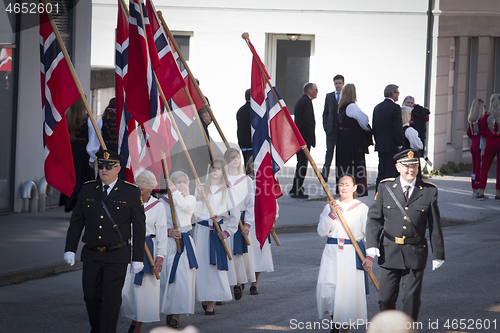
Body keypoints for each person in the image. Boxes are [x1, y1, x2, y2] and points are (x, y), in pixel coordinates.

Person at [64, 149, 146, 333]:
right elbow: (77, 221)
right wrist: (70, 249)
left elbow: (139, 227)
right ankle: (98, 328)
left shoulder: (130, 192)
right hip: (92, 252)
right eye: (101, 166)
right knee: (91, 297)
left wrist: (137, 258)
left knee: (111, 298)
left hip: (118, 254)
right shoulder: (87, 189)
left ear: (118, 168)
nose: (104, 170)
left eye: (109, 167)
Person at [363, 149, 445, 322]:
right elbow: (374, 219)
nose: (411, 170)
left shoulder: (429, 191)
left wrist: (438, 254)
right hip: (389, 251)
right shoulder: (385, 188)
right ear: (398, 167)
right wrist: (372, 246)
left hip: (415, 252)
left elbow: (435, 225)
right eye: (406, 166)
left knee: (411, 301)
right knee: (385, 299)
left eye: (414, 165)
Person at [317, 174, 369, 333]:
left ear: (354, 188)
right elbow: (321, 231)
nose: (344, 187)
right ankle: (335, 322)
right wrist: (332, 213)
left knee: (347, 293)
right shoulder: (330, 206)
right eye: (341, 184)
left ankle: (342, 329)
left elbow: (369, 233)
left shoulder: (361, 208)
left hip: (351, 254)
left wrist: (370, 257)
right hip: (332, 253)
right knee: (329, 289)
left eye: (347, 184)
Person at [121, 170, 167, 333]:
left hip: (149, 248)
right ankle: (134, 318)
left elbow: (162, 232)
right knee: (128, 289)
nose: (140, 185)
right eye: (138, 181)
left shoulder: (158, 205)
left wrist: (160, 258)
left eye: (144, 182)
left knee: (144, 290)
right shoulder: (128, 202)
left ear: (152, 187)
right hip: (129, 247)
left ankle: (138, 326)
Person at [194, 159, 239, 315]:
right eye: (213, 167)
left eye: (219, 168)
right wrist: (199, 196)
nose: (215, 170)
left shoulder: (228, 190)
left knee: (213, 267)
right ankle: (204, 296)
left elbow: (235, 215)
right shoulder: (201, 187)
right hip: (201, 231)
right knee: (202, 266)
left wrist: (227, 232)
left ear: (223, 172)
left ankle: (211, 300)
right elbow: (195, 212)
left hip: (217, 231)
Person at [159, 171, 198, 329]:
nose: (181, 185)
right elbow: (158, 223)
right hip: (167, 244)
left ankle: (176, 314)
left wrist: (174, 190)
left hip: (183, 245)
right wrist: (168, 232)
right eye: (177, 182)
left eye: (184, 182)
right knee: (166, 278)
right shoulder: (162, 202)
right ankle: (169, 308)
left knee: (181, 280)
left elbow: (183, 206)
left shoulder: (190, 199)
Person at [224, 148, 256, 300]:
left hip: (240, 220)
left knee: (237, 255)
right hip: (224, 221)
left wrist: (248, 223)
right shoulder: (221, 179)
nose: (235, 160)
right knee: (225, 253)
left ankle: (237, 283)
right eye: (231, 157)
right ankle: (223, 288)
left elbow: (250, 204)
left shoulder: (246, 180)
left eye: (237, 157)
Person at [335, 84, 371, 197]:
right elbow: (364, 121)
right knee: (354, 163)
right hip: (352, 139)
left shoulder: (341, 106)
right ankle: (356, 188)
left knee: (344, 163)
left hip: (343, 138)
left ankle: (344, 187)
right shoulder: (352, 106)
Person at [246, 157, 276, 295]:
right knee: (245, 252)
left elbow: (272, 203)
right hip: (246, 220)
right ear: (249, 167)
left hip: (260, 221)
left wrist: (272, 220)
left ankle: (254, 283)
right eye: (254, 166)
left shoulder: (265, 183)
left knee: (259, 250)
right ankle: (240, 281)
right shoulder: (243, 181)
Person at [60, 98, 93, 212]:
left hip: (70, 152)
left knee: (72, 178)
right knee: (82, 178)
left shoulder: (67, 119)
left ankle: (69, 202)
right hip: (83, 153)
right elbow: (92, 137)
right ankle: (77, 203)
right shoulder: (88, 120)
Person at [372, 84, 404, 191]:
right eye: (397, 93)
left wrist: (378, 141)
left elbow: (375, 127)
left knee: (381, 171)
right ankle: (388, 195)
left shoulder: (377, 107)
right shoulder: (395, 108)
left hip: (381, 145)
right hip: (392, 145)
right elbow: (397, 128)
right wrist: (400, 144)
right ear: (393, 93)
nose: (398, 95)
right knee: (390, 172)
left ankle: (378, 193)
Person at [289, 82, 318, 199]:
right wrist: (309, 139)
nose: (317, 92)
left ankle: (296, 187)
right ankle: (297, 189)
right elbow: (307, 122)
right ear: (309, 90)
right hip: (303, 139)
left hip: (300, 138)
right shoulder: (306, 102)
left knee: (301, 163)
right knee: (302, 164)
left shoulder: (301, 101)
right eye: (316, 90)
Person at [321, 75, 344, 183]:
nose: (338, 85)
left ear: (343, 84)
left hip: (342, 130)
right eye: (336, 83)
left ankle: (340, 176)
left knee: (340, 154)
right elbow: (325, 113)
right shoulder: (329, 96)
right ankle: (325, 174)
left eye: (339, 83)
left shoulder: (346, 96)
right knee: (329, 152)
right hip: (331, 130)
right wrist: (326, 127)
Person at [477, 94, 500, 201]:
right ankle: (498, 193)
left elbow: (482, 130)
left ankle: (481, 191)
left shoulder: (487, 115)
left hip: (490, 142)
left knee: (485, 168)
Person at [467, 99, 485, 199]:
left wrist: (473, 139)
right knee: (479, 168)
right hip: (479, 144)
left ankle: (474, 189)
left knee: (474, 168)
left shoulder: (471, 119)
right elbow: (483, 133)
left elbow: (469, 133)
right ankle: (478, 190)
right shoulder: (481, 120)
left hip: (473, 144)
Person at [236, 89, 253, 168]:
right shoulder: (254, 110)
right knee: (251, 166)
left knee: (247, 163)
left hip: (242, 142)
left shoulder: (240, 110)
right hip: (251, 142)